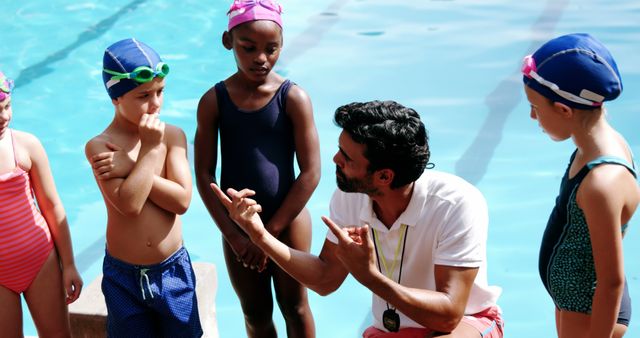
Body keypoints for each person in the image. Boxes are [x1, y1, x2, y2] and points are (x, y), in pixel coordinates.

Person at [212, 100, 504, 337]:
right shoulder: (350, 195)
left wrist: (370, 277)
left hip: (468, 322)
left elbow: (450, 315)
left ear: (384, 176)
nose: (335, 160)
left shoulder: (456, 204)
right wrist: (260, 235)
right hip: (394, 331)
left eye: (347, 158)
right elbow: (325, 279)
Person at [194, 1, 320, 337]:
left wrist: (269, 233)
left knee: (295, 307)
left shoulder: (293, 98)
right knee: (255, 314)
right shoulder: (213, 101)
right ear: (228, 41)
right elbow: (205, 175)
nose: (260, 58)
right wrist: (236, 237)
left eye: (271, 49)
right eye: (248, 48)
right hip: (239, 232)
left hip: (288, 223)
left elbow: (310, 172)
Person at [522, 33, 639, 338]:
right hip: (575, 300)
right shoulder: (594, 146)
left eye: (535, 107)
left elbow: (610, 282)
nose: (532, 115)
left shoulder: (602, 182)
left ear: (564, 110)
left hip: (590, 311)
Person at [85, 38, 202, 337]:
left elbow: (182, 201)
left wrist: (132, 167)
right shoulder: (100, 146)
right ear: (116, 98)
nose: (156, 104)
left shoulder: (173, 136)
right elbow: (129, 205)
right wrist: (149, 151)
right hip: (124, 277)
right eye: (144, 95)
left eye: (160, 92)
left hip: (172, 271)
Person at [0, 71, 83, 337]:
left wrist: (68, 264)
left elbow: (52, 206)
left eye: (7, 107)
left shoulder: (25, 145)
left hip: (40, 261)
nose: (4, 117)